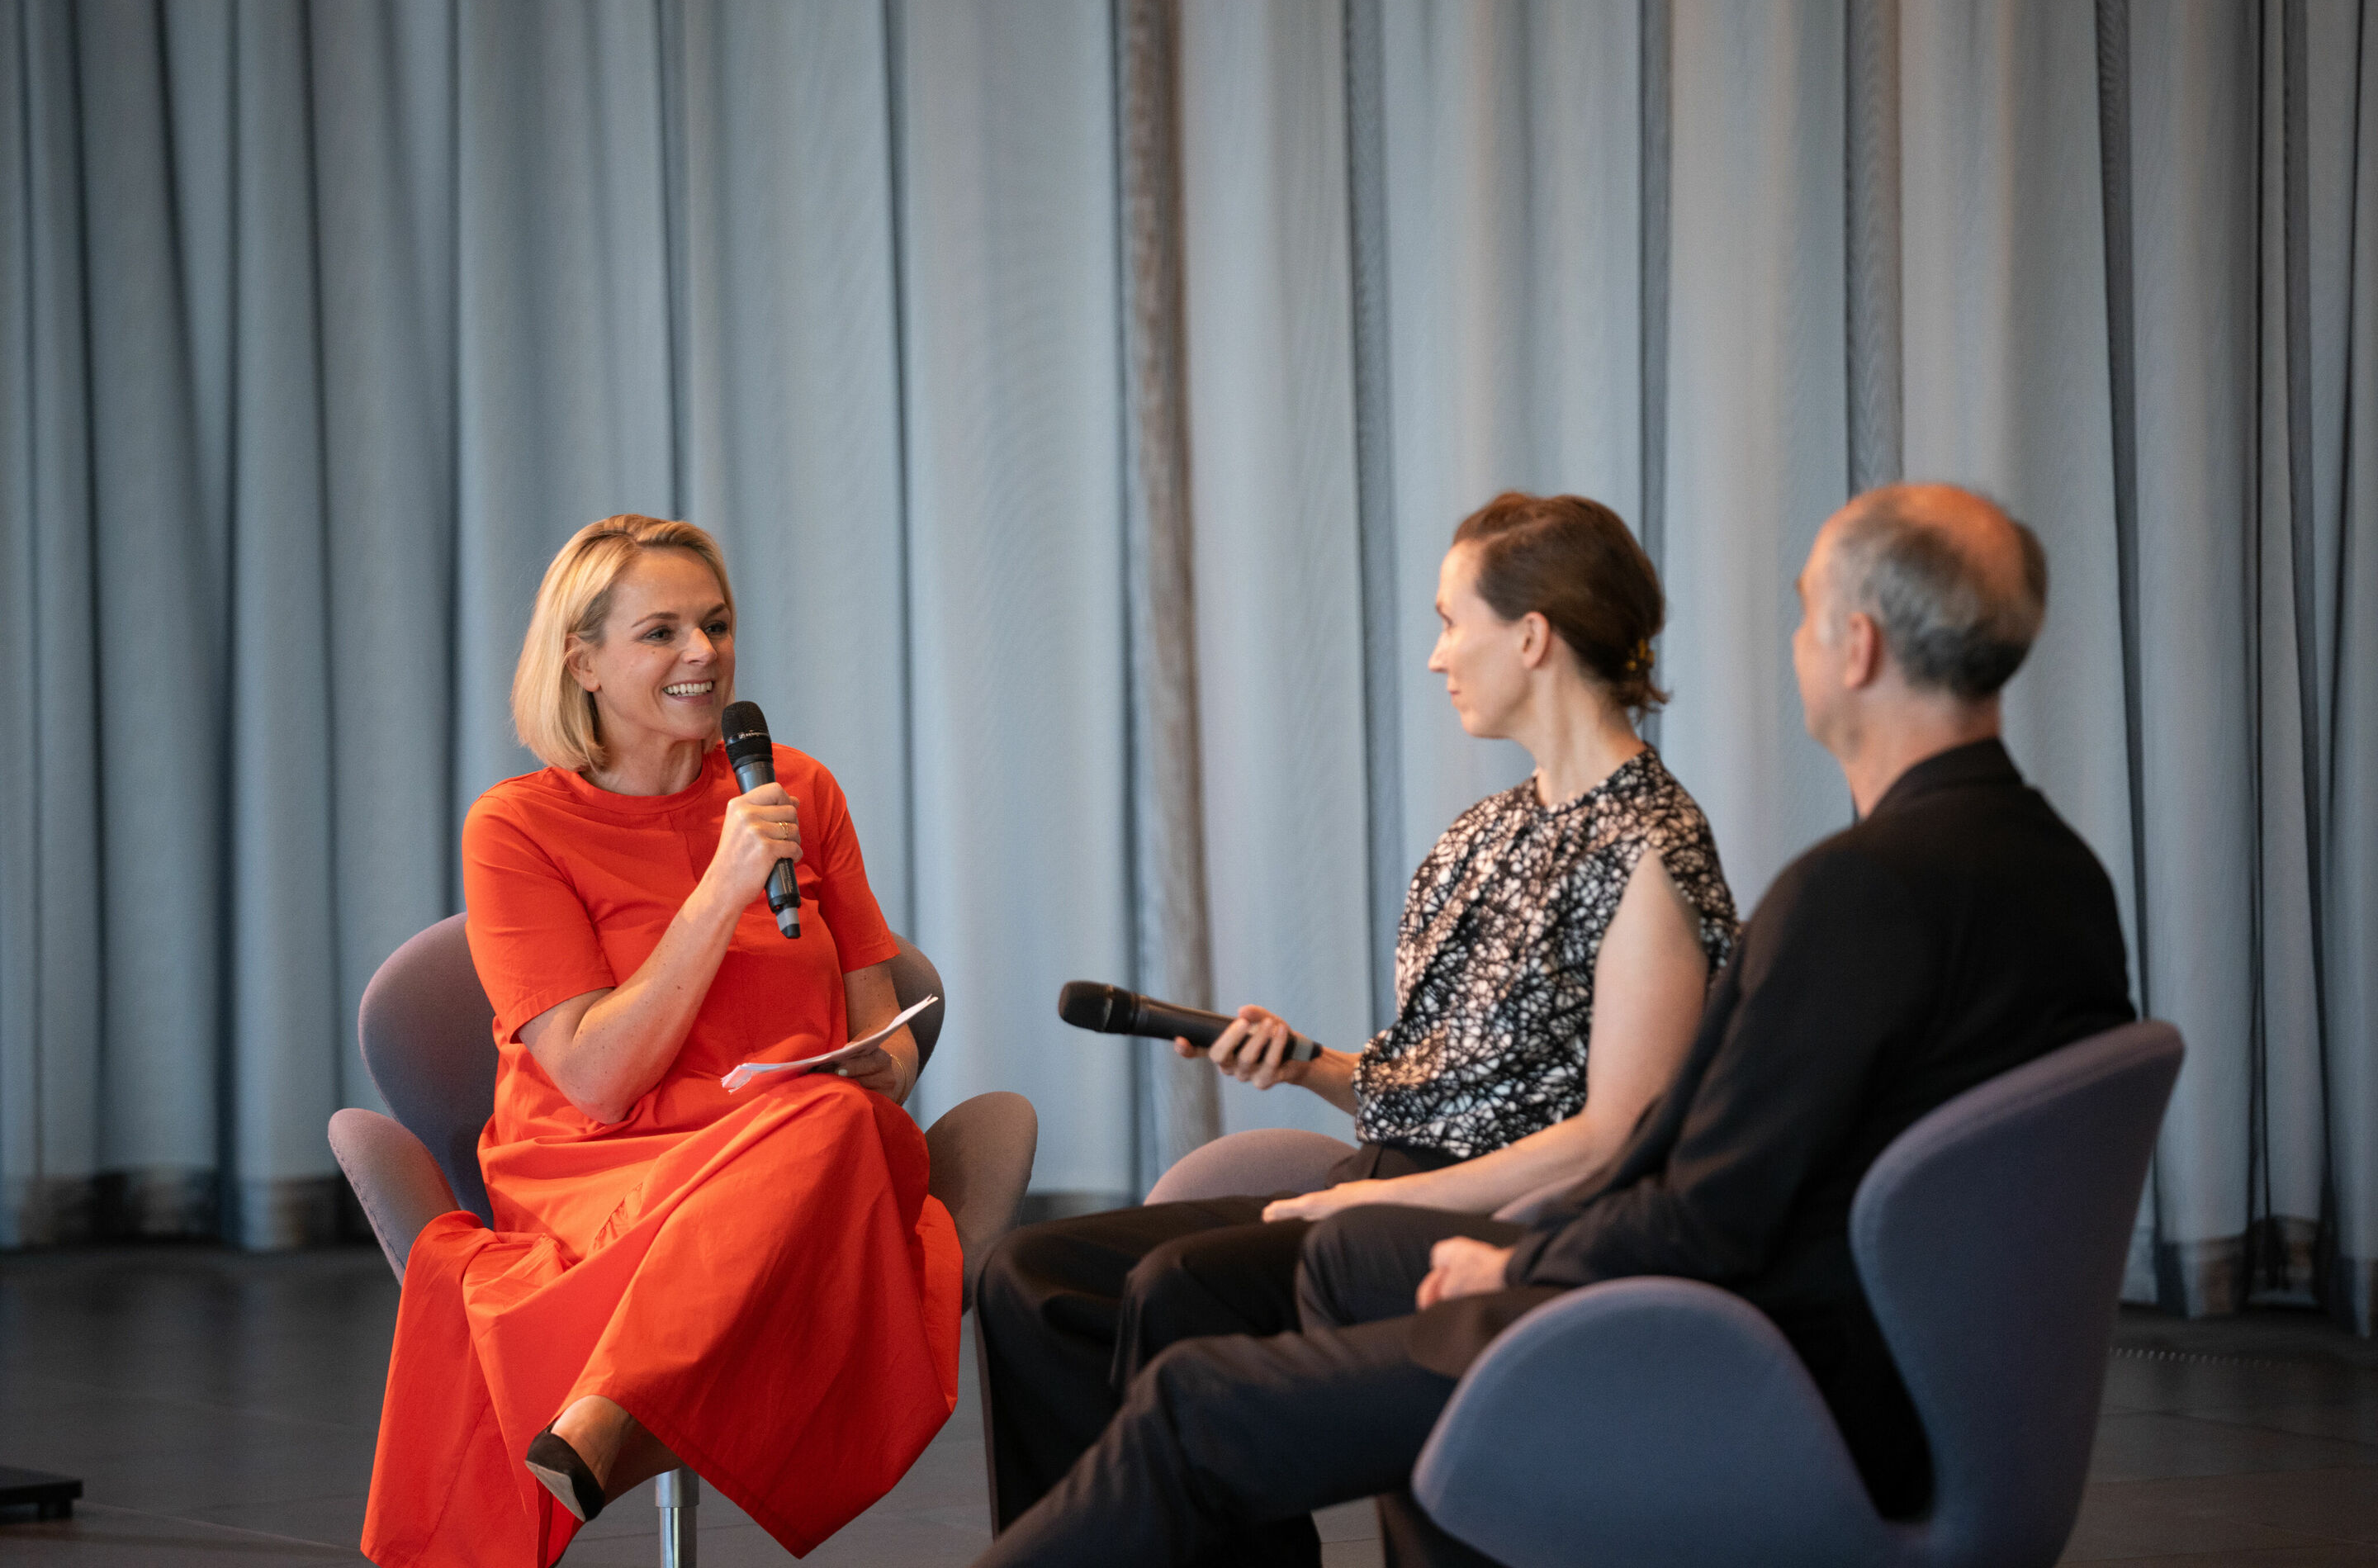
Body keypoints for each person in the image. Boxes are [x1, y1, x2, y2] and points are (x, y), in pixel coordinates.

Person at [972, 482, 2139, 1568]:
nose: (1794, 648)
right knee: (1168, 1286)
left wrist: (1517, 1258)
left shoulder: (1857, 893)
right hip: (1876, 1367)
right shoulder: (2062, 876)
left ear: (1858, 647)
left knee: (1200, 1388)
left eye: (1801, 617)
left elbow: (1700, 1203)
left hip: (1742, 1365)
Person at [977, 493, 1741, 1558]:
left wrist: (1380, 1201)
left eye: (1448, 619)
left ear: (1531, 636)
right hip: (1385, 1182)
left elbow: (1619, 1133)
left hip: (1505, 1218)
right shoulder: (1486, 830)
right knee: (1031, 1279)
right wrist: (1311, 1068)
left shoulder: (1649, 846)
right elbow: (1433, 1075)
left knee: (1176, 1287)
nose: (1436, 657)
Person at [361, 516, 960, 1568]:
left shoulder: (798, 789)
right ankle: (625, 1414)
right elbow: (596, 1080)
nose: (703, 655)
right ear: (582, 662)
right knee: (826, 1132)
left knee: (837, 1121)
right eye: (663, 632)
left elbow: (885, 1025)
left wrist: (891, 1062)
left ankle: (608, 1410)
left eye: (716, 625)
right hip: (606, 1167)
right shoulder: (514, 828)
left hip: (806, 1146)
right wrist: (721, 888)